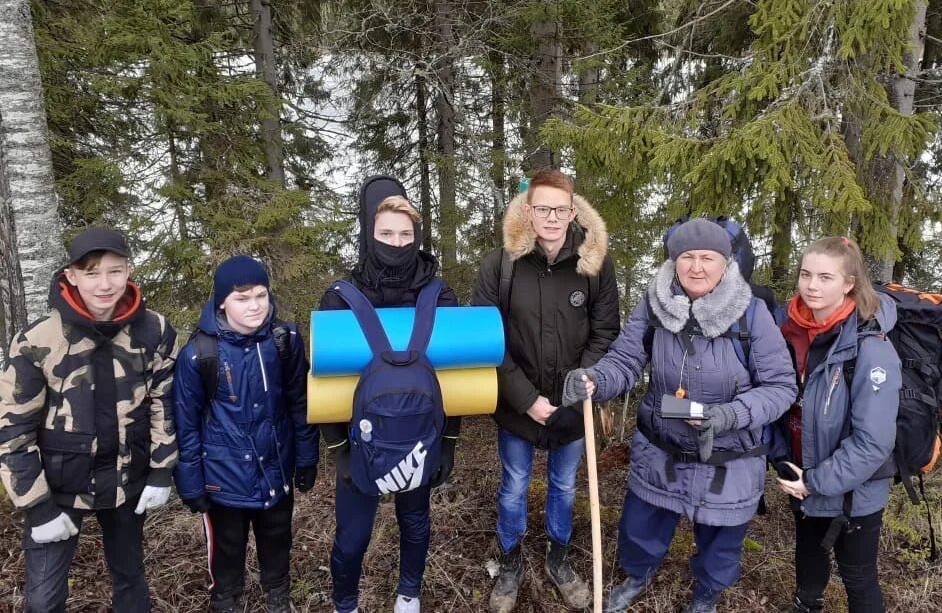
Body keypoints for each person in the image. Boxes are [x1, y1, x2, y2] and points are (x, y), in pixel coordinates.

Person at [564, 217, 796, 613]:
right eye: (687, 256)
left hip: (730, 456)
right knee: (641, 526)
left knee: (721, 541)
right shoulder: (654, 307)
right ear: (674, 261)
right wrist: (596, 380)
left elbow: (781, 388)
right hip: (662, 449)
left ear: (726, 263)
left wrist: (730, 415)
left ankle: (707, 593)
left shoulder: (752, 315)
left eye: (708, 257)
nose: (697, 267)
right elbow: (624, 361)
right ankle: (638, 573)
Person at [0, 226, 178, 612]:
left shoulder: (154, 330)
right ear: (71, 276)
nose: (104, 284)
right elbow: (13, 429)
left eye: (114, 271)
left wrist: (162, 470)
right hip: (58, 488)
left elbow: (165, 400)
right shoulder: (36, 340)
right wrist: (37, 507)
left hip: (127, 482)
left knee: (131, 579)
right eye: (92, 272)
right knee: (43, 599)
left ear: (129, 270)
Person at [472, 169, 620, 613]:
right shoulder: (499, 266)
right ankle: (511, 561)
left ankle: (559, 558)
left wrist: (577, 389)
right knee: (514, 486)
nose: (551, 218)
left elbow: (605, 330)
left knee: (563, 485)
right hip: (518, 405)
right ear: (528, 210)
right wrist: (526, 399)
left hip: (573, 404)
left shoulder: (594, 263)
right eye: (542, 208)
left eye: (560, 209)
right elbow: (487, 339)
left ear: (572, 211)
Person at [319, 176, 461, 613]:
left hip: (419, 435)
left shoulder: (440, 295)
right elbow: (326, 377)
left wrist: (448, 444)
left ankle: (409, 594)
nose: (396, 243)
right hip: (360, 439)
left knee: (415, 522)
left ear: (417, 237)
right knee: (353, 535)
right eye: (386, 234)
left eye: (405, 235)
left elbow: (452, 378)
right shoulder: (342, 296)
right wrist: (339, 447)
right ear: (369, 234)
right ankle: (346, 603)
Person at [173, 255, 319, 613]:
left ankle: (278, 594)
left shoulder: (285, 340)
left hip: (276, 465)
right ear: (222, 301)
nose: (254, 306)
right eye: (242, 298)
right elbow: (186, 424)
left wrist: (306, 456)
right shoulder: (198, 355)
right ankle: (226, 599)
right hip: (223, 477)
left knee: (277, 537)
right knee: (228, 545)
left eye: (260, 295)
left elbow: (300, 402)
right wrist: (190, 483)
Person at [774, 237, 901, 613]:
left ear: (849, 284)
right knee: (809, 560)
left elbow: (873, 442)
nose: (812, 285)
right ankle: (805, 605)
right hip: (802, 475)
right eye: (806, 274)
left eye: (826, 277)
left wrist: (814, 481)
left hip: (853, 494)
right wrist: (787, 465)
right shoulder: (791, 331)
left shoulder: (870, 347)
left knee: (858, 577)